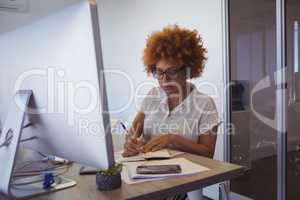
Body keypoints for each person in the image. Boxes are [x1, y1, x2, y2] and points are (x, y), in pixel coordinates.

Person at [123, 25, 219, 200]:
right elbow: (135, 128)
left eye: (172, 72)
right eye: (159, 73)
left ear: (188, 69)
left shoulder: (205, 104)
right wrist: (130, 141)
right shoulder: (153, 95)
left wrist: (172, 139)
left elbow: (208, 153)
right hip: (143, 176)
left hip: (181, 182)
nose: (164, 80)